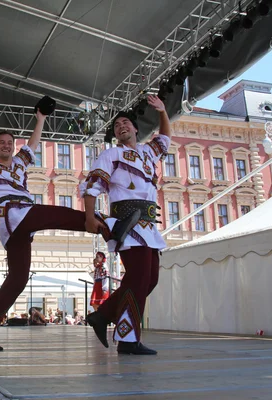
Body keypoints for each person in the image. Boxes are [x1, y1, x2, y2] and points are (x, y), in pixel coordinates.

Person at [0, 98, 110, 351]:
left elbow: (33, 144)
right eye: (2, 143)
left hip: (20, 225)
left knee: (18, 278)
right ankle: (105, 225)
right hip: (12, 214)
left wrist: (40, 119)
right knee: (59, 214)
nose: (6, 146)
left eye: (10, 143)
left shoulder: (18, 163)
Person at [82, 95, 171, 355]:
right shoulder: (111, 154)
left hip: (149, 223)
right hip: (127, 223)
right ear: (116, 135)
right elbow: (92, 185)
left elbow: (165, 138)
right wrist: (89, 216)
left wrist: (163, 112)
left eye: (125, 123)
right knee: (138, 278)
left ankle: (104, 315)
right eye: (116, 126)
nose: (121, 126)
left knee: (149, 280)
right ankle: (128, 340)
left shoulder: (147, 152)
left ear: (135, 129)